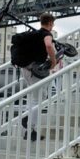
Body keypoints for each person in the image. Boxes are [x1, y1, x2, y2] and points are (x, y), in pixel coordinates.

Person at [21, 13, 57, 141]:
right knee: (38, 99)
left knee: (32, 97)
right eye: (52, 24)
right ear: (50, 23)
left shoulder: (34, 34)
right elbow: (48, 45)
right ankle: (31, 130)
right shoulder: (46, 34)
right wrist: (53, 61)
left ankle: (26, 120)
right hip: (35, 71)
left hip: (26, 69)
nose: (52, 26)